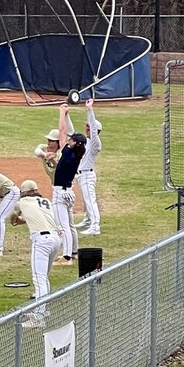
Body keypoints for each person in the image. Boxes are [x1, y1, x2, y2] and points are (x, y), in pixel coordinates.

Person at [9, 180, 61, 328]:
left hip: (42, 241)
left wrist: (16, 221)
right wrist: (24, 220)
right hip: (56, 239)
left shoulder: (23, 201)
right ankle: (43, 310)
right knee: (44, 277)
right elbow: (39, 217)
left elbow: (12, 217)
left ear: (24, 192)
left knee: (39, 279)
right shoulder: (45, 201)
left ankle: (39, 318)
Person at [52, 104, 85, 265]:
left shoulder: (67, 153)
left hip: (60, 193)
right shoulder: (76, 154)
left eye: (72, 140)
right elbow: (68, 133)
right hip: (69, 192)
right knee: (70, 225)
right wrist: (66, 115)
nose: (69, 141)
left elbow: (63, 132)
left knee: (62, 225)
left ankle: (66, 257)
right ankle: (73, 252)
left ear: (73, 144)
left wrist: (61, 113)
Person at [76, 99, 103, 235]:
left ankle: (95, 226)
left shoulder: (95, 143)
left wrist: (90, 110)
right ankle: (87, 220)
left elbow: (92, 127)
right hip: (81, 175)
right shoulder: (86, 142)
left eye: (89, 127)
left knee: (90, 200)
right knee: (86, 200)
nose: (86, 128)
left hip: (87, 175)